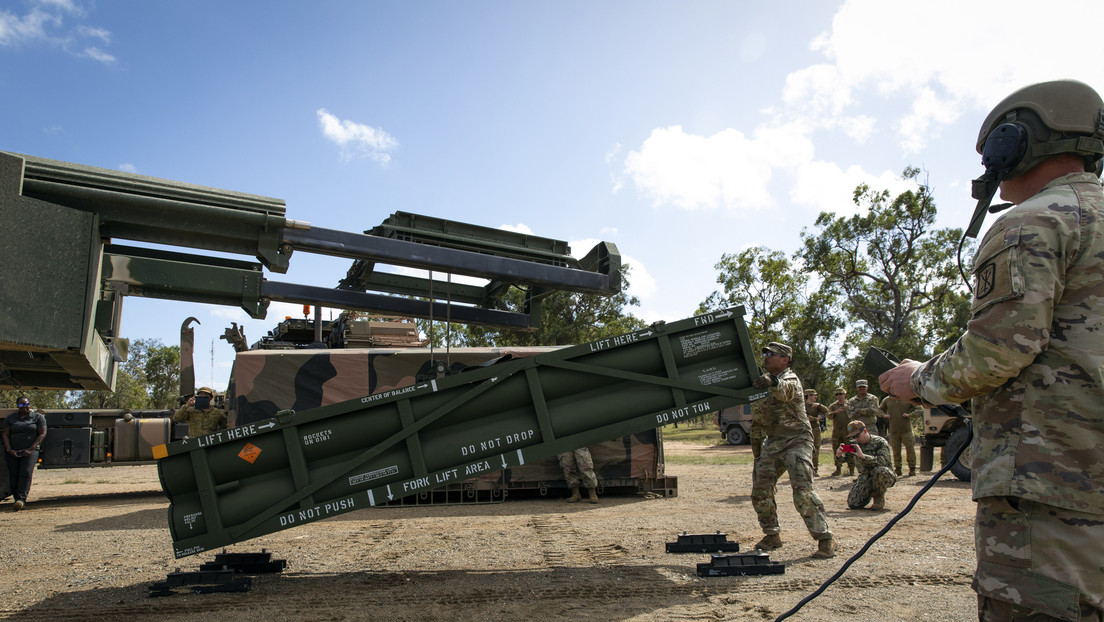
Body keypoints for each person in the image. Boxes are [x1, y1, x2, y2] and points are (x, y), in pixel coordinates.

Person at [879, 80, 1104, 621]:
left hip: (1051, 493)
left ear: (1014, 142)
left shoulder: (1034, 223)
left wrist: (920, 379)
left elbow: (997, 353)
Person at [749, 342, 834, 559]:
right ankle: (772, 535)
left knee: (802, 492)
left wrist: (772, 381)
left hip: (797, 441)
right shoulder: (763, 382)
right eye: (765, 354)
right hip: (774, 442)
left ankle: (825, 539)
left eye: (771, 354)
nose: (766, 357)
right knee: (760, 491)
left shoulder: (790, 379)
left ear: (785, 360)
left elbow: (785, 391)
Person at [836, 421, 895, 510]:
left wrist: (863, 456)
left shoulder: (880, 442)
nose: (856, 439)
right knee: (853, 503)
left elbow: (882, 461)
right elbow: (846, 460)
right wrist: (839, 456)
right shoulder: (855, 445)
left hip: (885, 475)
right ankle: (868, 492)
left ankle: (878, 497)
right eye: (853, 437)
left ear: (865, 431)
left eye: (857, 436)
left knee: (879, 471)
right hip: (866, 476)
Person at [3, 396, 47, 511]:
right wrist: (9, 450)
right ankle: (16, 498)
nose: (25, 407)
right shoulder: (11, 418)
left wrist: (30, 449)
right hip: (13, 451)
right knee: (14, 474)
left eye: (27, 404)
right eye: (22, 405)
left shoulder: (37, 417)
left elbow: (42, 434)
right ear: (18, 406)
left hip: (30, 451)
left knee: (25, 472)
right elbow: (5, 435)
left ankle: (21, 499)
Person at [879, 395, 918, 477]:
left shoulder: (907, 398)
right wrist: (884, 415)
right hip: (893, 430)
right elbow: (879, 410)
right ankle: (898, 469)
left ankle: (912, 468)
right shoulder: (887, 400)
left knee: (910, 449)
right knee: (895, 450)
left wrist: (910, 415)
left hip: (906, 430)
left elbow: (918, 409)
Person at [827, 387, 853, 476]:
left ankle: (851, 469)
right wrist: (835, 412)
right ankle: (838, 468)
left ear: (844, 395)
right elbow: (828, 416)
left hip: (848, 430)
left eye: (840, 394)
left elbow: (855, 414)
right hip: (837, 430)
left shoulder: (850, 404)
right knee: (836, 449)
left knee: (849, 448)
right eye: (837, 394)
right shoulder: (833, 406)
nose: (839, 396)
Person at [803, 389, 828, 475]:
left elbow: (827, 411)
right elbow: (804, 417)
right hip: (806, 429)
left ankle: (815, 469)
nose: (816, 397)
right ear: (809, 396)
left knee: (816, 448)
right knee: (807, 449)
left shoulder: (817, 406)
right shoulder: (803, 405)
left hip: (816, 429)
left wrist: (820, 405)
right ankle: (807, 469)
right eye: (814, 395)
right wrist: (815, 418)